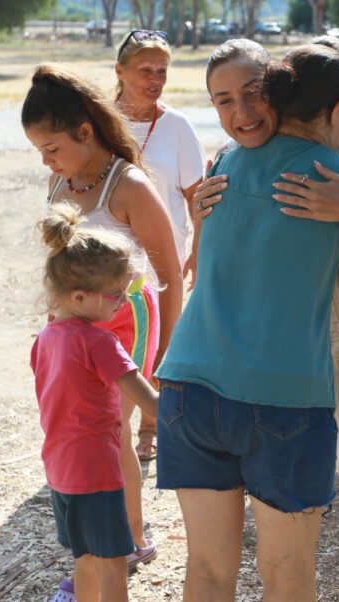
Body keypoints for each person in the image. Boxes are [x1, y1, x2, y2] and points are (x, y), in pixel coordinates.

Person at [192, 38, 339, 602]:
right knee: (292, 495)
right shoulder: (236, 157)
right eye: (224, 102)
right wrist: (200, 213)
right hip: (290, 342)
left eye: (252, 96)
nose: (242, 114)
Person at [22, 64, 183, 574]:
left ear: (85, 132)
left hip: (125, 318)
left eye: (52, 148)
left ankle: (130, 537)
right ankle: (103, 539)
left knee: (113, 431)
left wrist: (166, 354)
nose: (46, 161)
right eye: (41, 152)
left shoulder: (128, 184)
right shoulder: (60, 181)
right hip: (73, 327)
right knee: (83, 428)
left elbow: (169, 276)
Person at [32, 203, 161, 602]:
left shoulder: (46, 339)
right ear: (79, 296)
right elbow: (149, 402)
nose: (123, 303)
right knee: (114, 563)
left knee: (84, 557)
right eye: (116, 296)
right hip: (98, 472)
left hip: (60, 467)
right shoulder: (101, 342)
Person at [112, 29, 207, 461]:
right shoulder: (97, 123)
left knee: (160, 346)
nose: (155, 79)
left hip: (161, 264)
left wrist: (198, 249)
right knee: (108, 342)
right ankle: (108, 426)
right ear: (120, 71)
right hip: (109, 263)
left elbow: (197, 196)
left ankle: (151, 424)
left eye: (162, 71)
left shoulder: (177, 127)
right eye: (145, 70)